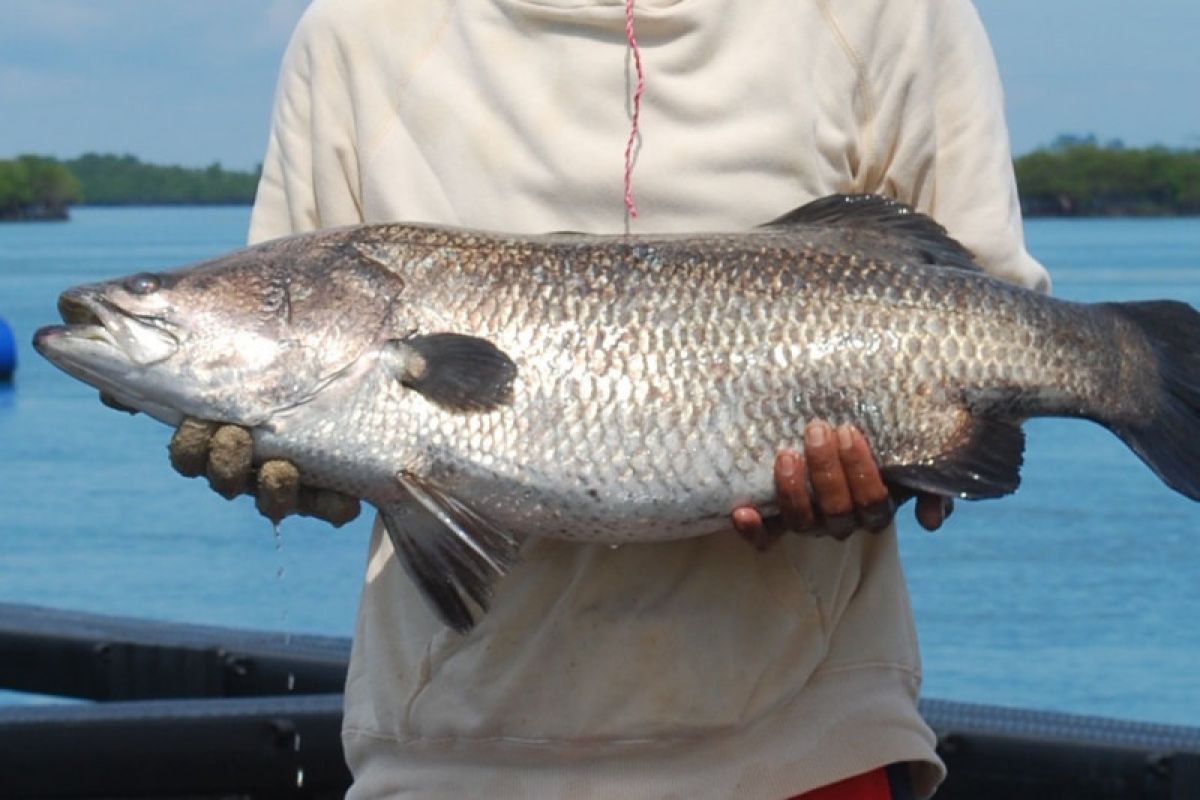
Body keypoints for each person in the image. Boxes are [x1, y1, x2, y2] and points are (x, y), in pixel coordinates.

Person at [182, 1, 1049, 797]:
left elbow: (986, 337)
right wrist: (291, 459)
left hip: (807, 748)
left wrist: (898, 469)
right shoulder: (356, 32)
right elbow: (286, 330)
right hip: (453, 756)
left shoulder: (892, 13)